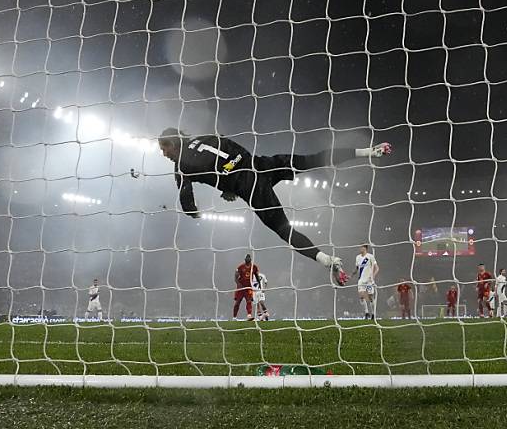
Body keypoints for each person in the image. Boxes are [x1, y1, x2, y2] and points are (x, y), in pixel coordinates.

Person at [158, 128, 391, 285]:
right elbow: (233, 150)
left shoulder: (182, 164)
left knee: (283, 229)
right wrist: (229, 182)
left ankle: (327, 260)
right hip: (263, 164)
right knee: (312, 160)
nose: (163, 153)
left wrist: (195, 212)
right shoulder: (205, 138)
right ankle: (369, 151)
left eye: (164, 148)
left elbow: (185, 198)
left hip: (252, 188)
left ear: (172, 143)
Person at [354, 244, 379, 319]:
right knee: (361, 296)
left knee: (370, 297)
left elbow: (377, 268)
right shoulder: (357, 257)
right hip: (361, 280)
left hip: (369, 281)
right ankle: (366, 312)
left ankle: (373, 314)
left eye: (361, 247)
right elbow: (356, 268)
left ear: (365, 248)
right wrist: (351, 275)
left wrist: (373, 277)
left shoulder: (370, 256)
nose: (360, 248)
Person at [234, 254, 259, 320]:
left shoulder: (254, 267)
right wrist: (238, 284)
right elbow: (236, 277)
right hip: (241, 287)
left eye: (248, 259)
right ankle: (234, 317)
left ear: (250, 260)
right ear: (244, 259)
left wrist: (259, 284)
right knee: (237, 302)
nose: (247, 260)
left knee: (249, 301)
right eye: (246, 259)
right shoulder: (240, 267)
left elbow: (257, 276)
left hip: (249, 287)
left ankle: (249, 315)